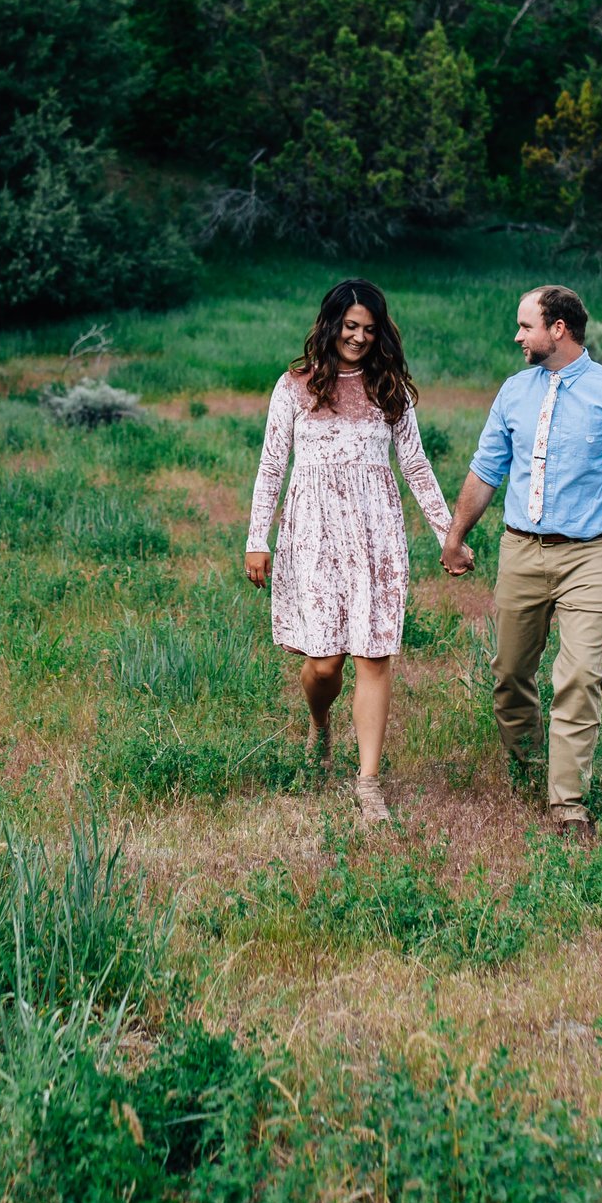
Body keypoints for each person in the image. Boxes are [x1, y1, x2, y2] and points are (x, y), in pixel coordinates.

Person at [441, 285, 602, 841]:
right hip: (520, 549)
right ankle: (528, 766)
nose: (518, 336)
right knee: (510, 673)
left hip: (591, 554)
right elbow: (486, 469)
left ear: (558, 328)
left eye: (525, 326)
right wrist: (456, 534)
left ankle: (568, 802)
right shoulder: (514, 392)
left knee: (581, 674)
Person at [245, 279, 457, 825]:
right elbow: (272, 466)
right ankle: (320, 723)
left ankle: (367, 782)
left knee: (374, 655)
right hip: (311, 534)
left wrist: (446, 533)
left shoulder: (391, 389)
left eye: (369, 329)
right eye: (350, 327)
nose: (359, 338)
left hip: (376, 534)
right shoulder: (295, 386)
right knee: (323, 663)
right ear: (331, 324)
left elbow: (414, 464)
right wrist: (256, 539)